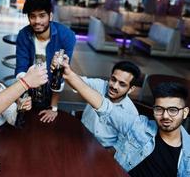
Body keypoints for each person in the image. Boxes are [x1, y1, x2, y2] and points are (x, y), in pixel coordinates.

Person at [59, 55, 190, 176]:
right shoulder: (139, 126)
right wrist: (69, 74)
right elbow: (105, 107)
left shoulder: (187, 153)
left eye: (172, 110)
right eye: (159, 109)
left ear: (185, 112)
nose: (165, 116)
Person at [15, 0, 76, 123]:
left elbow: (60, 73)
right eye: (32, 16)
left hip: (51, 91)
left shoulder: (66, 36)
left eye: (42, 15)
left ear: (51, 16)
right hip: (28, 89)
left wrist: (53, 108)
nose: (37, 21)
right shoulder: (23, 35)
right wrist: (23, 98)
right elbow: (21, 69)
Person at [80, 61, 140, 147]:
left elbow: (120, 146)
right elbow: (78, 81)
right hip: (80, 137)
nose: (114, 86)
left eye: (122, 84)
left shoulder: (131, 113)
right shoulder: (100, 85)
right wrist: (64, 69)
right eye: (113, 79)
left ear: (131, 89)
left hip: (104, 150)